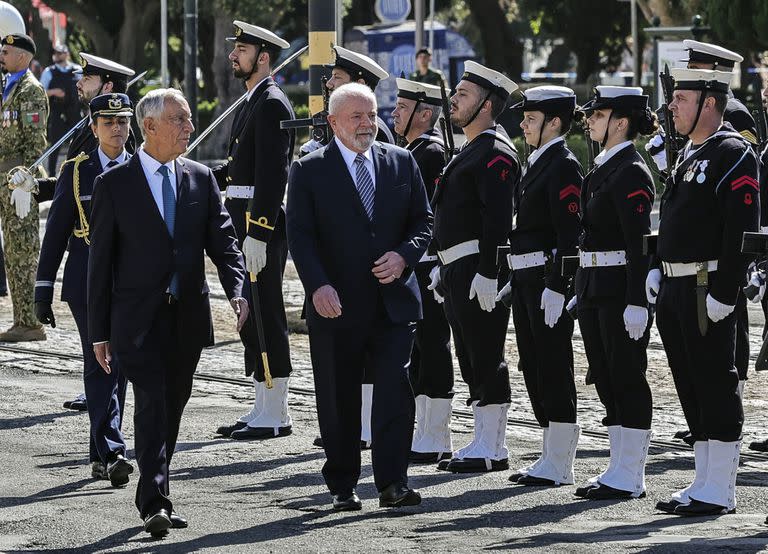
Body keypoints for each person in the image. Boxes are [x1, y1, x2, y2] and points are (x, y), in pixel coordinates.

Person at [87, 88, 248, 536]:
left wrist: (237, 290)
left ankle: (157, 486)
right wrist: (98, 332)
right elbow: (99, 266)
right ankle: (153, 501)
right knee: (153, 403)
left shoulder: (200, 177)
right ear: (151, 126)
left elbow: (225, 243)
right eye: (179, 119)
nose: (189, 128)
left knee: (173, 407)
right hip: (136, 322)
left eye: (189, 119)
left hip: (188, 319)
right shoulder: (113, 185)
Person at [287, 82, 431, 510]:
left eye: (372, 114)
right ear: (333, 123)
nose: (368, 123)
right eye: (357, 116)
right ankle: (343, 484)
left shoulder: (402, 163)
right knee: (338, 395)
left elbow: (423, 222)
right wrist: (318, 285)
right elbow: (300, 236)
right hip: (336, 304)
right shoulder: (309, 169)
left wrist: (404, 256)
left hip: (393, 301)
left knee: (393, 391)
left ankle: (392, 483)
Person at [649, 68, 758, 517]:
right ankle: (703, 480)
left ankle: (721, 487)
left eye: (681, 98)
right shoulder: (692, 153)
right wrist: (658, 266)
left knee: (715, 381)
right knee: (689, 383)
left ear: (708, 103)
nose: (672, 106)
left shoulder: (733, 153)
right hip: (677, 285)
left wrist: (726, 289)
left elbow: (741, 230)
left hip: (704, 286)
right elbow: (677, 221)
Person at [12, 52, 135, 412]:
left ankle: (106, 416)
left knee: (114, 352)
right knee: (97, 347)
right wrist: (36, 187)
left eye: (88, 78)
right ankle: (106, 432)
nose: (79, 83)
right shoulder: (86, 127)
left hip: (120, 263)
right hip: (86, 263)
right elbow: (74, 185)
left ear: (107, 85)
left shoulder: (119, 131)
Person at [30, 94, 133, 484]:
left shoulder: (140, 167)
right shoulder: (76, 172)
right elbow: (54, 234)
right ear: (93, 128)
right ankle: (113, 449)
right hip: (86, 281)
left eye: (123, 121)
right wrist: (42, 291)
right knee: (99, 362)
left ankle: (100, 453)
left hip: (127, 283)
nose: (117, 129)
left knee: (118, 365)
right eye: (108, 122)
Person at [429, 61, 519, 473]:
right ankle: (481, 439)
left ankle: (493, 446)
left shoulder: (496, 152)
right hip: (456, 267)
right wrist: (440, 262)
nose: (453, 100)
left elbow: (498, 218)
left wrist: (489, 270)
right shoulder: (472, 149)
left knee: (485, 353)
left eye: (462, 95)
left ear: (486, 105)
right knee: (468, 353)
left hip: (476, 268)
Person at [305, 46, 394, 449]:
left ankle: (366, 430)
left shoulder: (379, 144)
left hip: (377, 282)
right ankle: (353, 431)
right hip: (339, 285)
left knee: (375, 367)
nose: (328, 84)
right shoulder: (326, 143)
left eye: (336, 79)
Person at [211, 21, 295, 441]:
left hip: (257, 225)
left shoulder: (272, 103)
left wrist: (259, 231)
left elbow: (273, 175)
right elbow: (242, 167)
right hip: (241, 218)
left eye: (241, 49)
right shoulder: (253, 101)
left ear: (263, 56)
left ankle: (276, 410)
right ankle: (261, 404)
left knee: (265, 314)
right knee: (251, 316)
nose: (233, 55)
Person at [570, 87, 656, 501]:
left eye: (598, 114)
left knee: (626, 376)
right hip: (594, 288)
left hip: (620, 291)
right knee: (605, 376)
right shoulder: (603, 168)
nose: (590, 121)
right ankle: (617, 465)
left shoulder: (631, 171)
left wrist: (638, 298)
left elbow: (637, 242)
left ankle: (631, 472)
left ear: (620, 122)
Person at [500, 86, 583, 487]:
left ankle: (561, 459)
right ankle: (549, 452)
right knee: (531, 363)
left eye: (531, 119)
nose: (523, 125)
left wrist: (559, 284)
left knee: (552, 363)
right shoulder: (537, 161)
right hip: (527, 278)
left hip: (546, 281)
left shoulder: (563, 164)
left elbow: (570, 234)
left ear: (554, 122)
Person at [391, 77, 453, 463]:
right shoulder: (408, 150)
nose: (395, 113)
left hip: (426, 262)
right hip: (411, 263)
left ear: (424, 113)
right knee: (418, 347)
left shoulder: (429, 153)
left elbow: (426, 215)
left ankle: (436, 433)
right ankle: (424, 429)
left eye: (403, 107)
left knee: (433, 345)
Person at [0, 33, 48, 342]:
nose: (1, 55)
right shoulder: (8, 86)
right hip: (4, 179)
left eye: (6, 51)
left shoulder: (30, 90)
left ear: (23, 56)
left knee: (23, 251)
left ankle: (29, 322)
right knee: (10, 250)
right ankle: (21, 319)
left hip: (19, 182)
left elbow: (36, 144)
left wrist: (28, 181)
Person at [300, 45, 394, 158]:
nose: (329, 84)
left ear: (360, 84)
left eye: (337, 77)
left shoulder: (374, 131)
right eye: (356, 117)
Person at [40, 43, 81, 175]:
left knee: (79, 145)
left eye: (59, 53)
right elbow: (40, 92)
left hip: (74, 113)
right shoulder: (49, 72)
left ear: (67, 53)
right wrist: (53, 92)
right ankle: (51, 176)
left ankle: (77, 173)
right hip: (57, 113)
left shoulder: (77, 70)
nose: (56, 55)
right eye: (55, 53)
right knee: (55, 148)